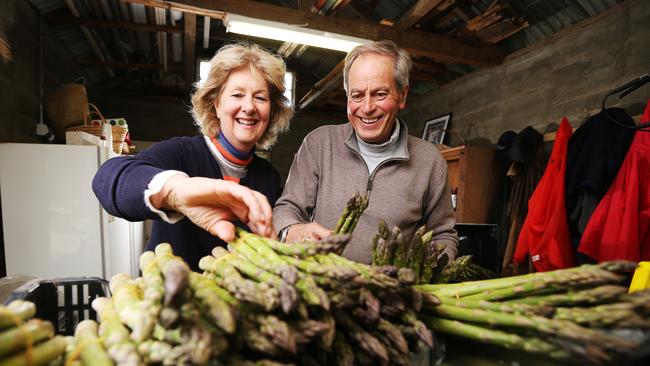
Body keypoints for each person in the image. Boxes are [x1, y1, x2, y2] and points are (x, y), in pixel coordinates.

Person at [92, 43, 293, 270]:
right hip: (168, 300)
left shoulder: (268, 177)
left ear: (272, 112)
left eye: (260, 98)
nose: (249, 107)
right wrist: (174, 191)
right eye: (237, 94)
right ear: (216, 105)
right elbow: (108, 179)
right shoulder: (181, 154)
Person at [273, 40, 458, 264]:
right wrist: (295, 231)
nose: (367, 107)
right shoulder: (319, 143)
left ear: (402, 95)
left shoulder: (430, 160)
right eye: (357, 95)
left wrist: (427, 276)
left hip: (390, 290)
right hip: (323, 285)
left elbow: (443, 234)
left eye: (380, 94)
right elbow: (287, 208)